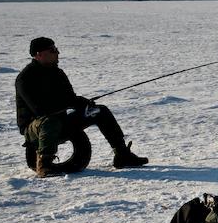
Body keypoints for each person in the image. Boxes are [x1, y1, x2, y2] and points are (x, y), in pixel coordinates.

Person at [15, 37, 148, 177]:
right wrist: (70, 103)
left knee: (99, 111)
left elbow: (70, 98)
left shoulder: (57, 73)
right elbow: (40, 110)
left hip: (60, 121)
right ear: (39, 54)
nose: (57, 53)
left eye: (56, 49)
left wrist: (82, 102)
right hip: (35, 129)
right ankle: (44, 165)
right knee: (49, 120)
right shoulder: (25, 78)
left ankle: (122, 155)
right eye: (52, 50)